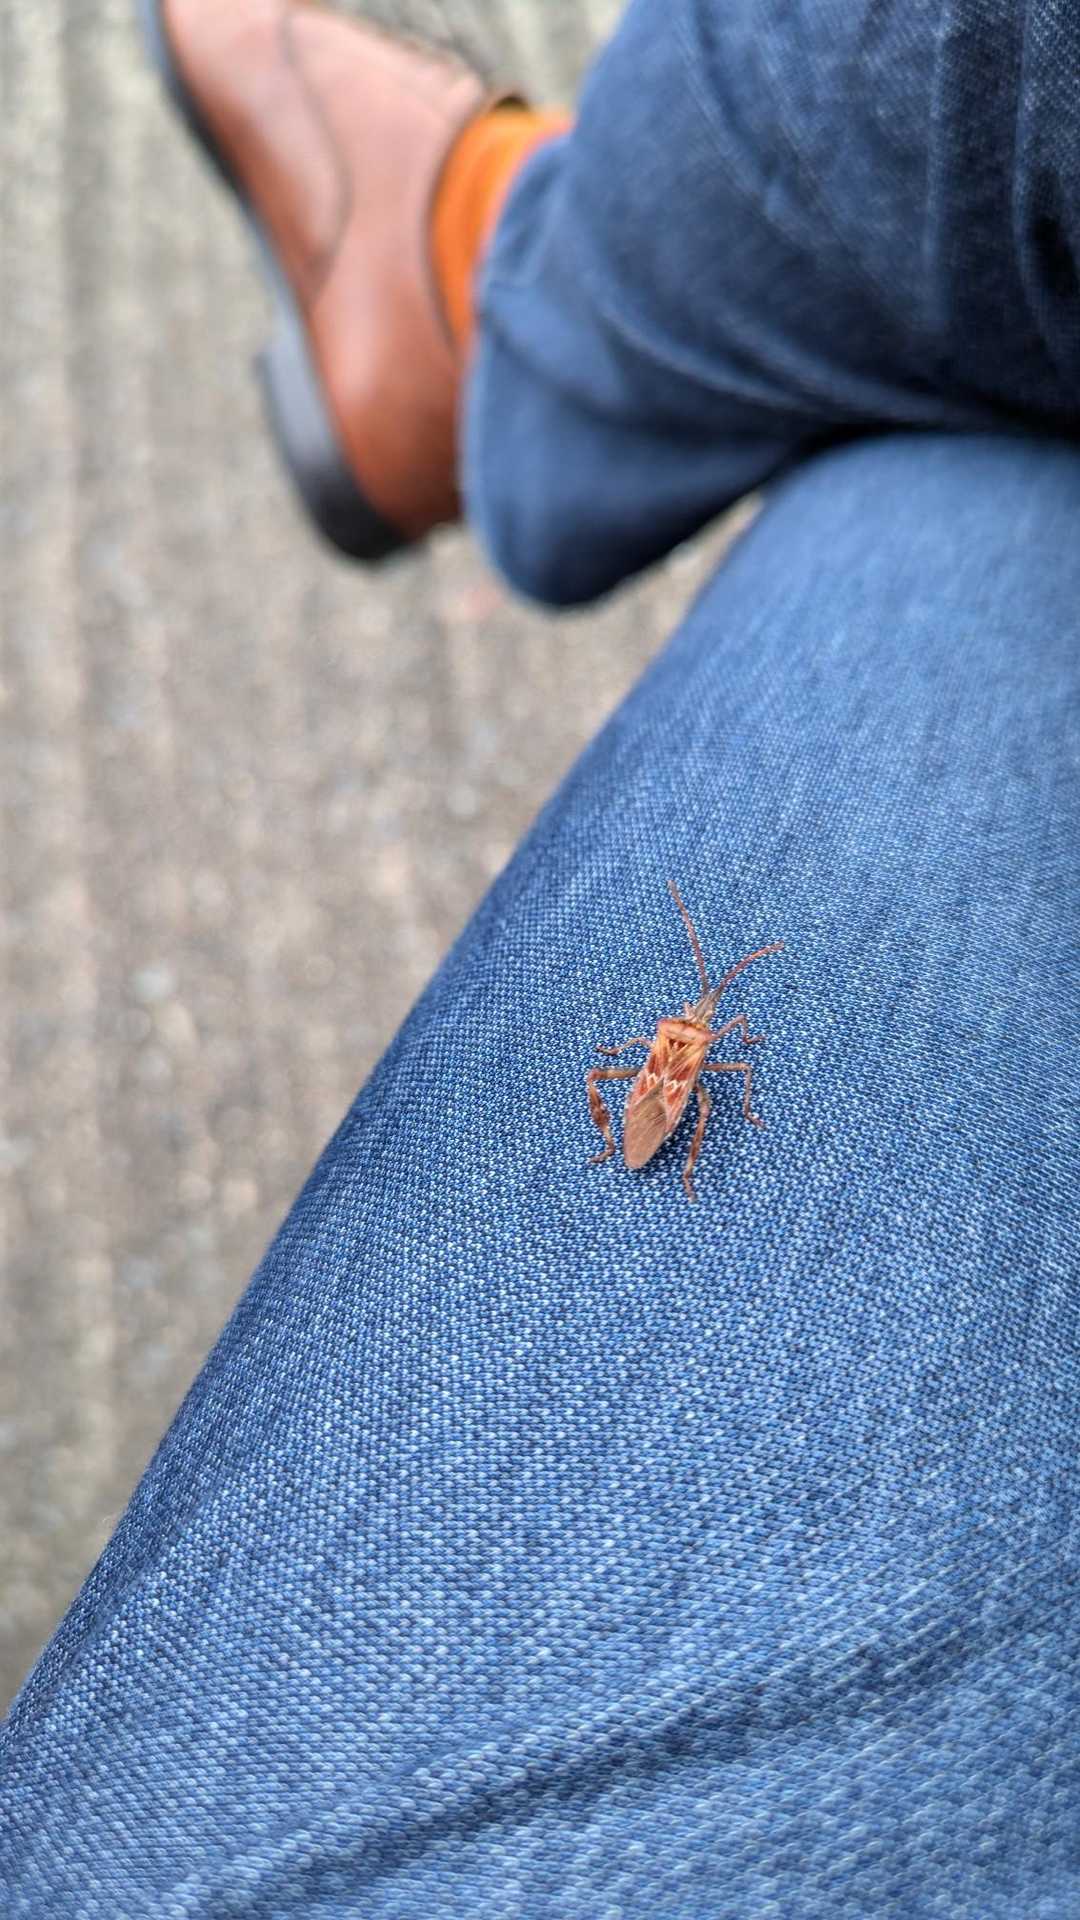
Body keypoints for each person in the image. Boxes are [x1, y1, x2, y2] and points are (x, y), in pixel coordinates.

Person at [1, 0, 1077, 1912]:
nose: (683, 1049)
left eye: (688, 1045)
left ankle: (523, 295)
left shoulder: (682, 1069)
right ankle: (515, 306)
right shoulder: (676, 1067)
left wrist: (665, 1103)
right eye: (681, 1042)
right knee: (958, 436)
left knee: (937, 469)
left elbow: (687, 1088)